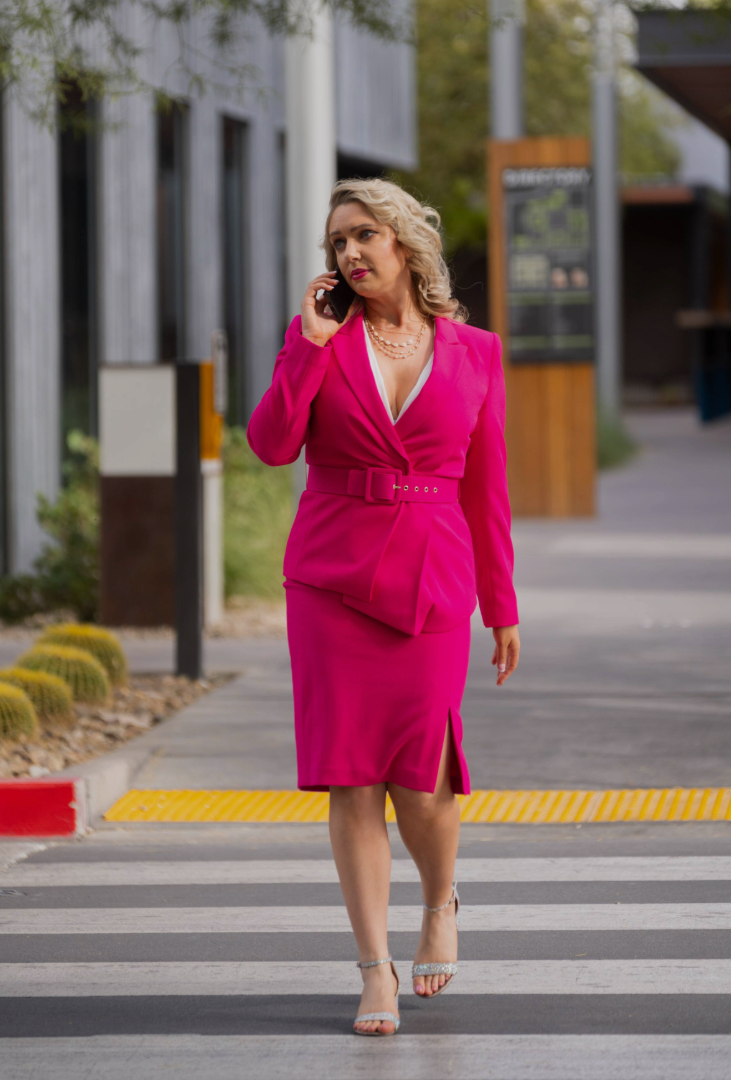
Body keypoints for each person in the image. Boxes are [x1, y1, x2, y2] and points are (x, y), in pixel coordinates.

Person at [246, 178, 520, 1036]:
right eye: (337, 243)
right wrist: (307, 347)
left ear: (405, 242)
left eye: (364, 235)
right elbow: (271, 444)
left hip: (436, 575)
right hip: (330, 580)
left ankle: (441, 900)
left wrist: (500, 604)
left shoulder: (476, 351)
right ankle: (374, 969)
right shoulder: (320, 340)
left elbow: (489, 490)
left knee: (427, 781)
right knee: (352, 778)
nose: (350, 254)